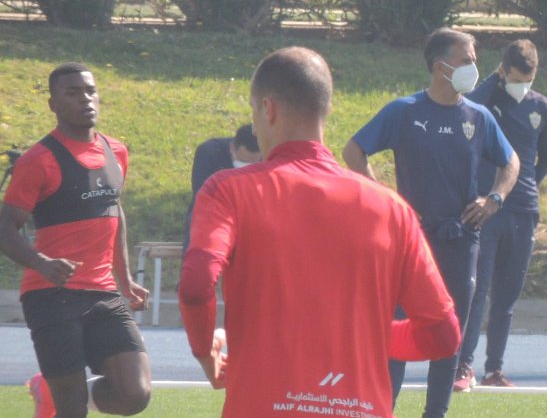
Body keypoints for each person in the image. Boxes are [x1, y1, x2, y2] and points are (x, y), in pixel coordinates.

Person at [179, 46, 462, 417]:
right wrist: (371, 334)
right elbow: (443, 335)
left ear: (268, 109)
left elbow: (197, 285)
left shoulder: (228, 190)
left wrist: (205, 352)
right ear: (326, 110)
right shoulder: (392, 209)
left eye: (253, 114)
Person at [343, 27, 520, 418]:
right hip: (410, 240)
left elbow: (511, 162)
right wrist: (390, 201)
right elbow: (354, 150)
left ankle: (435, 413)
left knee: (448, 334)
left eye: (474, 59)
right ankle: (381, 410)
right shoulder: (404, 111)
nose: (475, 67)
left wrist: (494, 199)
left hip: (461, 239)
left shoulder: (480, 116)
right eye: (467, 60)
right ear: (440, 66)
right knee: (398, 330)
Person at [0, 63, 152, 417]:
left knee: (135, 394)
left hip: (103, 293)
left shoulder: (117, 151)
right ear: (53, 104)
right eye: (72, 93)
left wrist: (124, 278)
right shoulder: (39, 160)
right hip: (51, 296)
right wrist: (40, 262)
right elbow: (5, 227)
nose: (85, 99)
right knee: (71, 410)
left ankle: (52, 390)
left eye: (89, 90)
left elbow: (114, 211)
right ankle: (56, 395)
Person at [457, 39, 547, 390]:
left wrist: (525, 184)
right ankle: (462, 366)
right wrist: (492, 81)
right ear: (503, 71)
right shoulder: (488, 102)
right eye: (515, 78)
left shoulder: (541, 107)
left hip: (523, 210)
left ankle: (493, 369)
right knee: (476, 289)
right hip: (486, 209)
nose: (522, 85)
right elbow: (465, 106)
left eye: (528, 78)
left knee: (507, 296)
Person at [183, 124, 260, 252]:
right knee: (199, 221)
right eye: (242, 162)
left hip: (251, 211)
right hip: (212, 210)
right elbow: (202, 195)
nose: (245, 168)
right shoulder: (210, 152)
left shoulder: (268, 155)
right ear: (232, 148)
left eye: (252, 164)